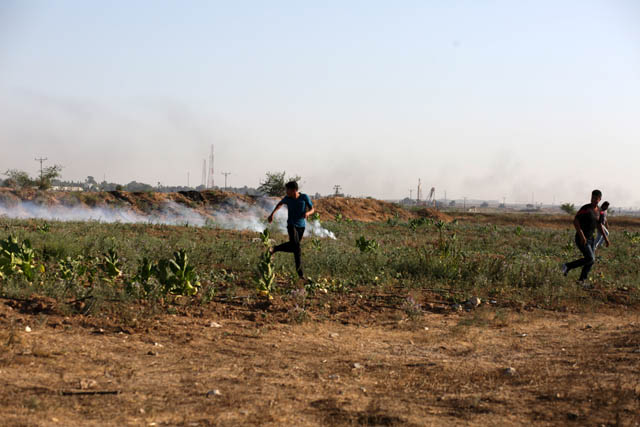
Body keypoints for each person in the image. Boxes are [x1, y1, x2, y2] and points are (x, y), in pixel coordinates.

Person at [267, 181, 315, 279]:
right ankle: (300, 274)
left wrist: (308, 213)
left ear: (294, 190)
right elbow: (279, 204)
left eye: (287, 189)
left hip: (301, 226)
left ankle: (275, 249)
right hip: (291, 225)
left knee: (294, 247)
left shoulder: (304, 197)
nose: (286, 192)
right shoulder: (287, 199)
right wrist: (272, 214)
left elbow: (312, 209)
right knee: (297, 248)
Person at [561, 190, 610, 283]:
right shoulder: (585, 208)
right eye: (592, 198)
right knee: (590, 258)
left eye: (596, 198)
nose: (594, 200)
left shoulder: (599, 211)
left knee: (591, 261)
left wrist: (606, 238)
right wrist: (582, 236)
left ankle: (581, 281)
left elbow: (599, 225)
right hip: (581, 237)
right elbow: (575, 221)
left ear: (600, 199)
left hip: (591, 239)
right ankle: (567, 266)